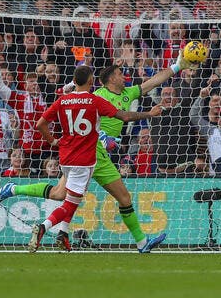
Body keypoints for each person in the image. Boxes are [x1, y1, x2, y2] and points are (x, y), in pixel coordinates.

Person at [0, 51, 198, 252]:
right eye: (119, 73)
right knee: (120, 197)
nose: (123, 75)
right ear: (109, 79)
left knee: (60, 194)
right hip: (91, 153)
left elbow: (153, 81)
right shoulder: (98, 95)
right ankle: (139, 242)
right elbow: (92, 116)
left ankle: (17, 193)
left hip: (91, 154)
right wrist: (107, 134)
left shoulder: (127, 94)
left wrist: (178, 66)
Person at [26, 65, 163, 252]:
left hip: (68, 157)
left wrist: (53, 141)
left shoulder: (64, 100)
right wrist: (149, 113)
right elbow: (123, 116)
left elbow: (40, 124)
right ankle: (43, 226)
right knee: (66, 200)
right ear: (91, 81)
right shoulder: (94, 100)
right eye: (120, 74)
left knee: (69, 197)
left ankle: (62, 233)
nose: (123, 77)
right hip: (88, 158)